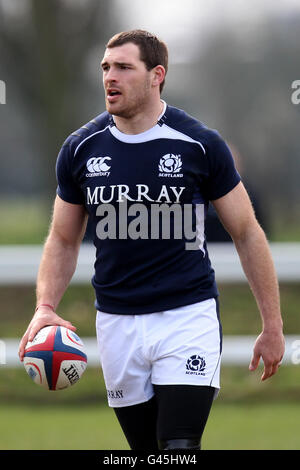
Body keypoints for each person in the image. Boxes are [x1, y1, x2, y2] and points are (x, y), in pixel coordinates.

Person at [19, 30, 285, 451]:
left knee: (178, 447)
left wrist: (272, 324)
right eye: (106, 67)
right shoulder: (80, 149)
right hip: (117, 322)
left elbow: (248, 232)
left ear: (156, 75)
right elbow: (63, 240)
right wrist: (44, 308)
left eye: (124, 67)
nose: (110, 77)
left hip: (187, 316)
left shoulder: (200, 144)